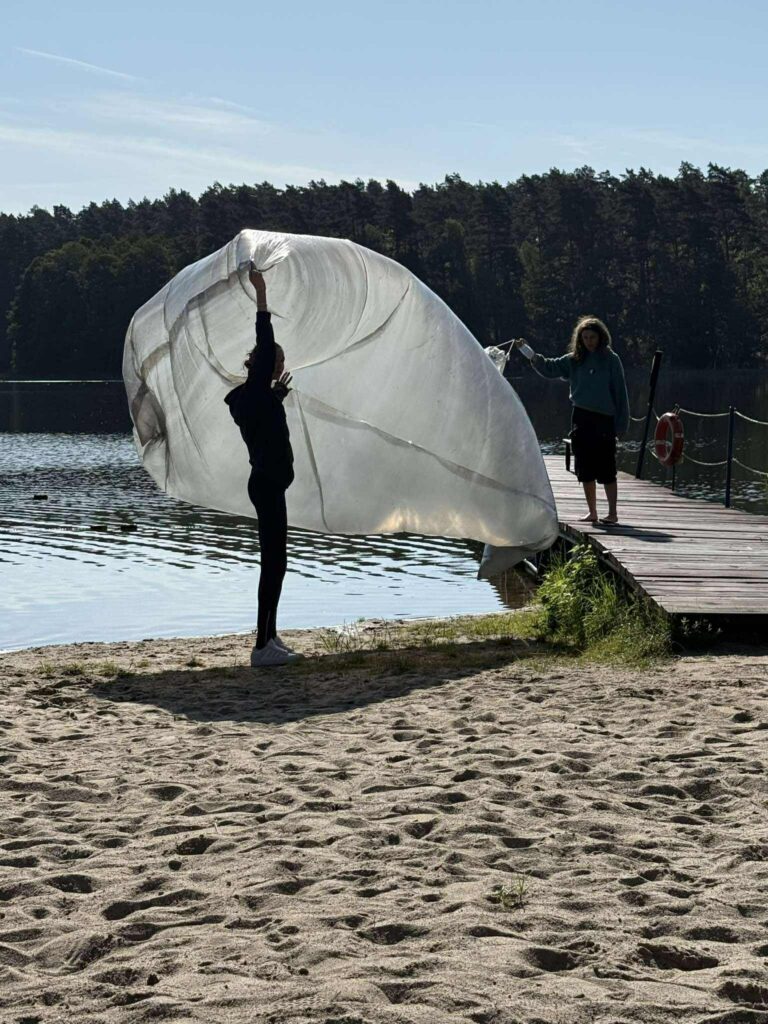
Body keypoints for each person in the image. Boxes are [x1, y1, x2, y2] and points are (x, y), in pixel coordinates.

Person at [224, 265, 299, 667]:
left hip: (271, 484)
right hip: (267, 485)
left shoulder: (259, 399)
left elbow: (265, 420)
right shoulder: (254, 393)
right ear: (261, 364)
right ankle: (261, 647)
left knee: (278, 563)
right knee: (272, 564)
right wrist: (262, 293)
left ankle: (269, 635)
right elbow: (265, 342)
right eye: (274, 360)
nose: (277, 362)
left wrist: (279, 395)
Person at [515, 316, 630, 526]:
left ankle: (612, 512)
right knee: (584, 466)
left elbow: (621, 395)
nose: (589, 341)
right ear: (580, 339)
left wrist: (621, 425)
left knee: (606, 467)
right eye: (585, 337)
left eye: (592, 337)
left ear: (601, 337)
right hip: (581, 417)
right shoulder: (574, 359)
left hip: (604, 419)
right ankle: (592, 512)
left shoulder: (611, 360)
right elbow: (549, 368)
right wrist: (528, 353)